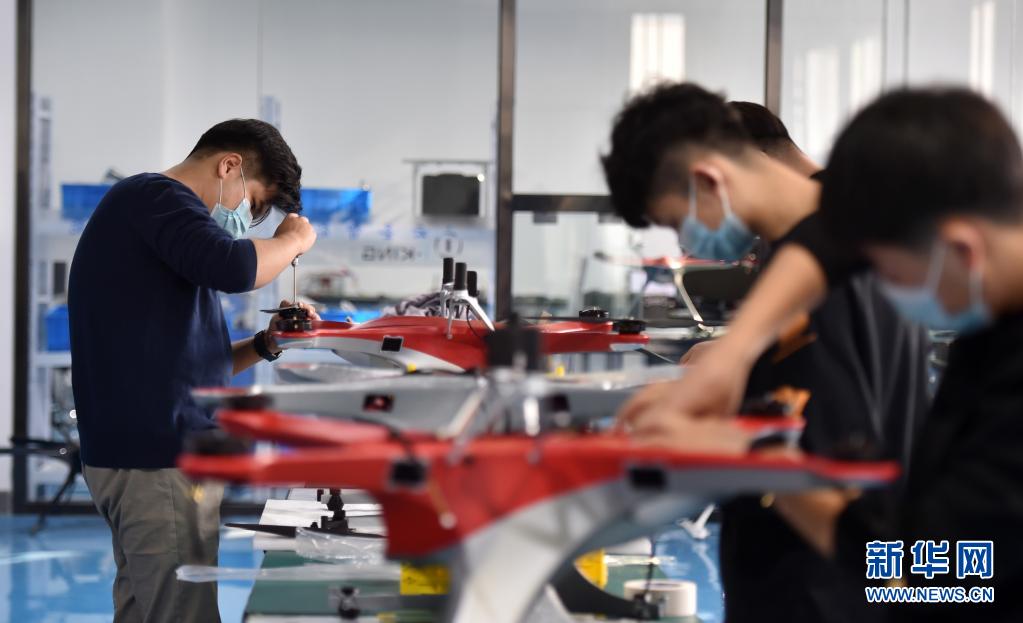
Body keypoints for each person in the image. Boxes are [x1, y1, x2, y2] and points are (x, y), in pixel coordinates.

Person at [623, 87, 1023, 620]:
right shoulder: (989, 306)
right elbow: (821, 245)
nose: (883, 290)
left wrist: (755, 457)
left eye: (891, 275)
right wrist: (734, 355)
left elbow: (930, 573)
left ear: (962, 250)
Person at [68, 119, 318, 623]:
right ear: (229, 166)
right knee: (183, 613)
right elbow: (235, 267)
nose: (246, 221)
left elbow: (198, 364)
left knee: (144, 610)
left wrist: (267, 343)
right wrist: (292, 241)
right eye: (252, 204)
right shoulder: (154, 197)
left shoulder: (166, 236)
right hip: (156, 460)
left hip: (146, 456)